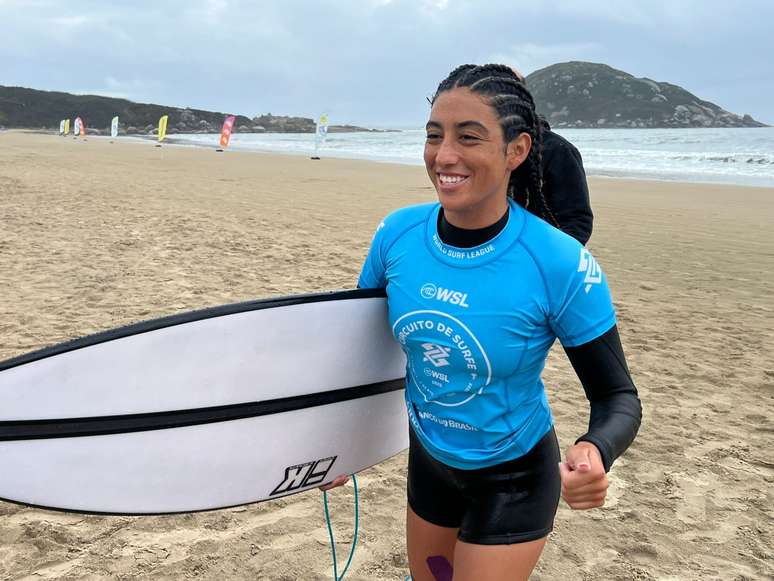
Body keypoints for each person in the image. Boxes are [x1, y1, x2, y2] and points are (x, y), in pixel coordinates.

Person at [324, 63, 641, 581]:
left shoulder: (559, 262)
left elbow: (617, 397)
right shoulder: (397, 234)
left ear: (516, 150)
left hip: (514, 478)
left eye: (468, 137)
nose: (444, 155)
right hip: (430, 464)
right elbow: (360, 350)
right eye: (434, 136)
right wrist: (337, 442)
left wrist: (595, 448)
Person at [509, 67, 594, 245]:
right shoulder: (479, 149)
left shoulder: (558, 150)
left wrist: (548, 255)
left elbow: (577, 221)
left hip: (540, 252)